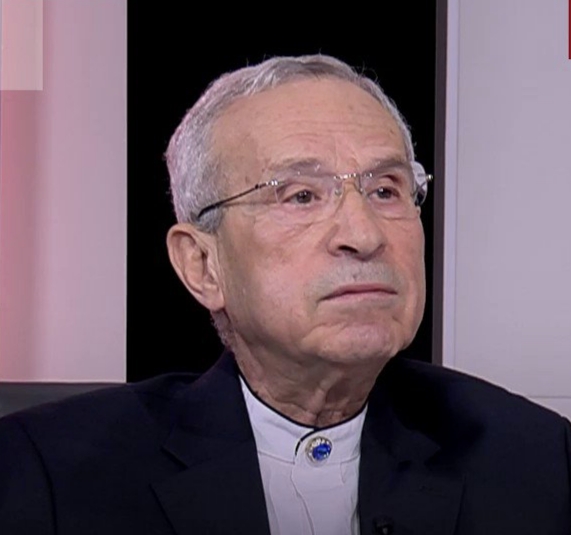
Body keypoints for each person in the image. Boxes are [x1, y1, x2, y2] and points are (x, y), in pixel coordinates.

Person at [0, 54, 570, 535]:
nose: (364, 235)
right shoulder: (46, 474)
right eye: (300, 196)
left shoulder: (537, 461)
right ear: (203, 265)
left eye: (386, 190)